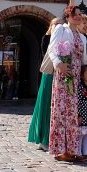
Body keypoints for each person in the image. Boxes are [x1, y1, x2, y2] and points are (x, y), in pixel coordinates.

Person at [49, 0, 87, 162]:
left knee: (72, 112)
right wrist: (59, 63)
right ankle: (60, 150)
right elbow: (52, 48)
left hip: (76, 77)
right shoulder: (61, 29)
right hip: (64, 75)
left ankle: (72, 149)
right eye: (76, 14)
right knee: (61, 111)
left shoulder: (82, 37)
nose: (79, 17)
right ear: (69, 16)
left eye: (80, 15)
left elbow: (83, 59)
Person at [28, 17, 58, 151]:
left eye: (61, 25)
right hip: (50, 75)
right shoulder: (47, 39)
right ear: (50, 27)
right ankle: (43, 138)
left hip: (60, 75)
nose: (58, 27)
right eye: (55, 25)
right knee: (46, 105)